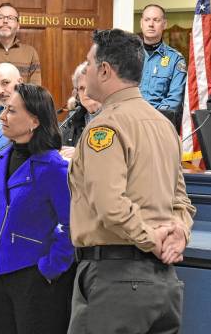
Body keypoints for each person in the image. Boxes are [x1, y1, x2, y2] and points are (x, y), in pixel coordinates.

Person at [68, 29, 196, 334]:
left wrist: (153, 241)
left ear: (104, 70)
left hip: (116, 281)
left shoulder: (106, 126)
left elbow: (110, 206)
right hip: (163, 282)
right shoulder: (164, 125)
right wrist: (178, 234)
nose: (85, 72)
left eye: (88, 64)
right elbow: (181, 201)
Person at [0, 83, 75, 334]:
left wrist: (49, 269)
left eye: (11, 111)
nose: (2, 116)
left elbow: (72, 226)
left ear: (34, 120)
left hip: (35, 280)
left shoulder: (54, 166)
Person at [138, 4, 187, 112]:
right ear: (141, 23)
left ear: (164, 24)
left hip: (159, 122)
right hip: (129, 120)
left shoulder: (175, 59)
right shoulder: (127, 55)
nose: (151, 24)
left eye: (156, 20)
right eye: (147, 20)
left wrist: (152, 117)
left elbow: (174, 100)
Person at [60, 62, 101, 155]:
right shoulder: (74, 116)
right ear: (77, 92)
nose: (86, 92)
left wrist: (80, 154)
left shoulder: (114, 116)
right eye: (81, 88)